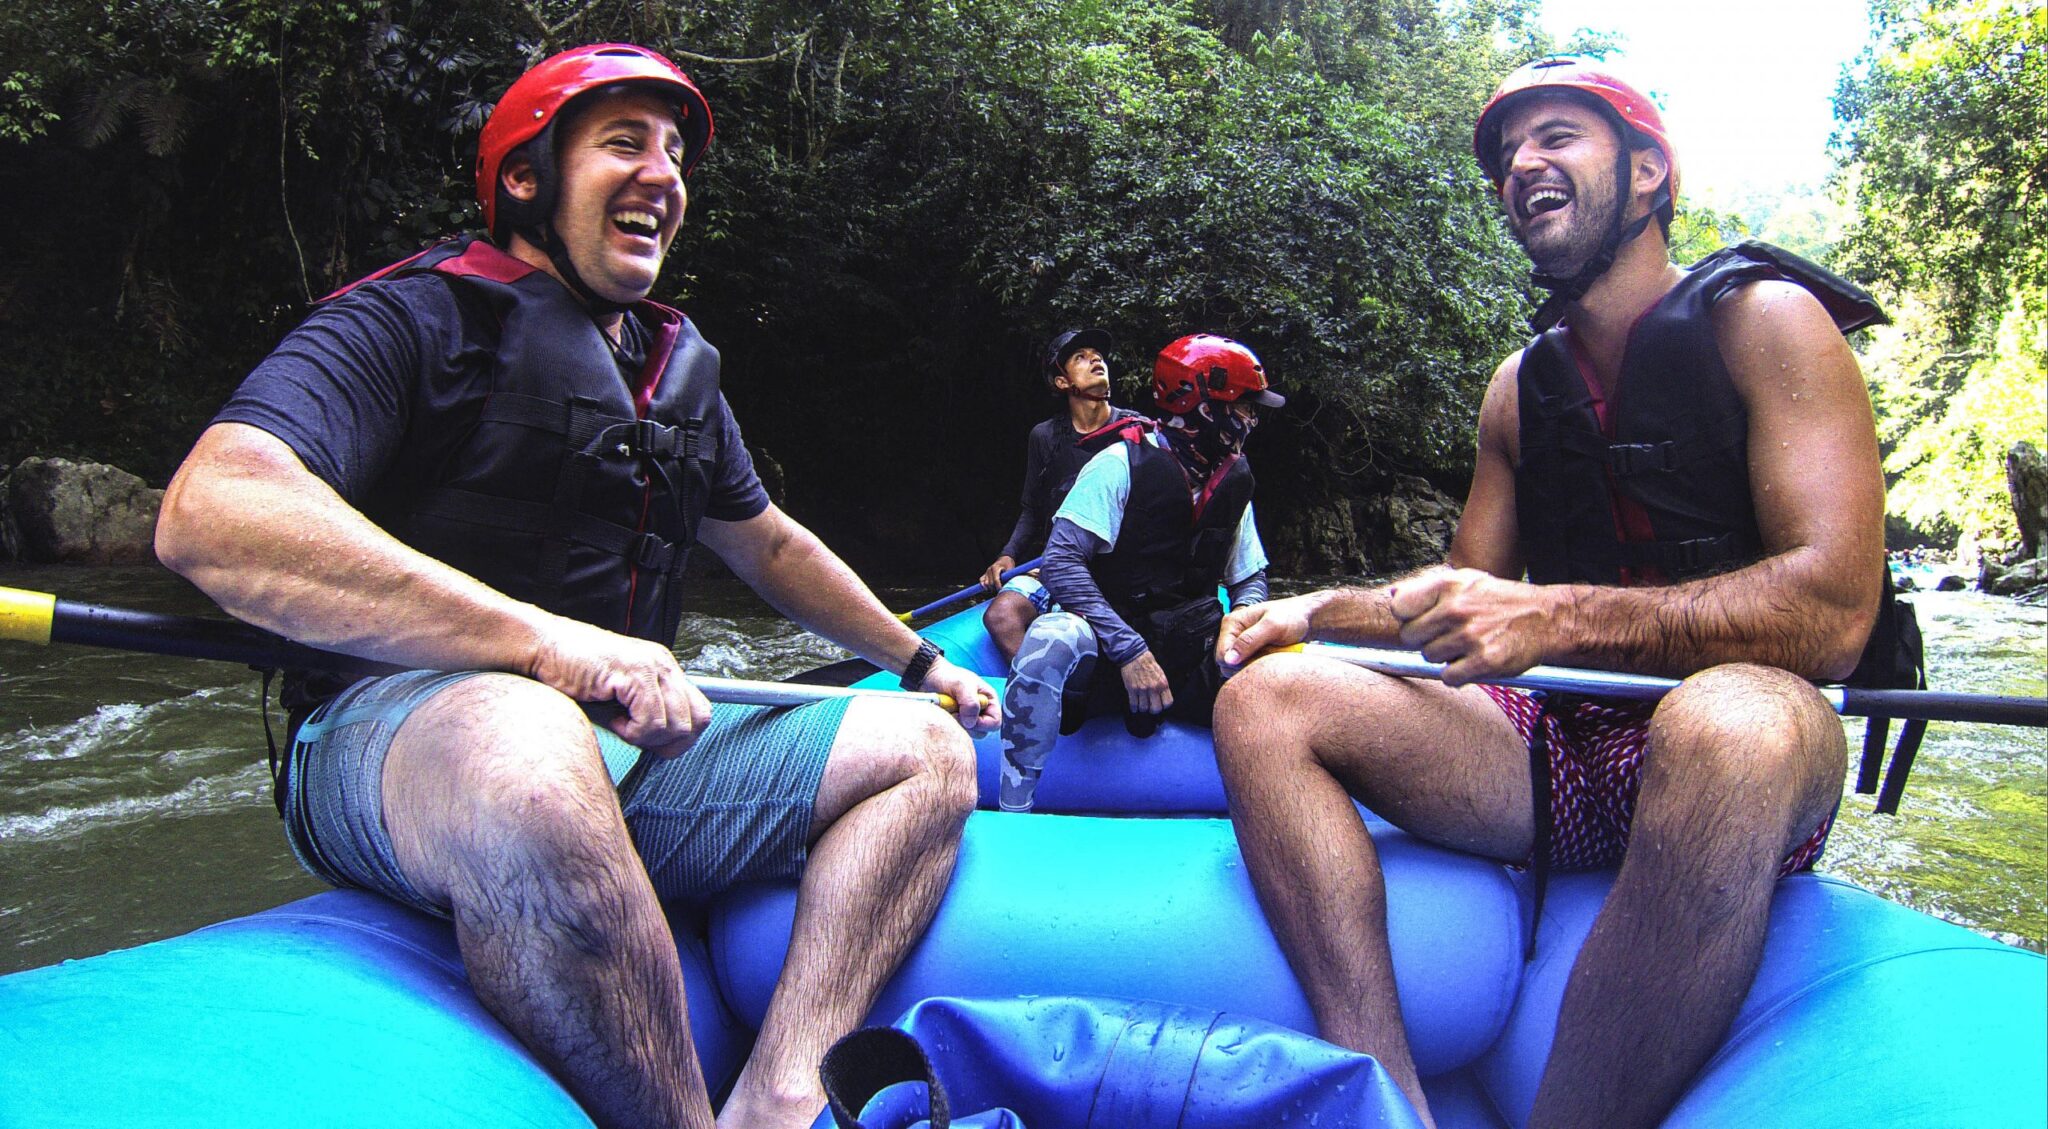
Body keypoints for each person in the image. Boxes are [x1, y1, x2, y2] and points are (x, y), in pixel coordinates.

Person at [153, 44, 997, 1129]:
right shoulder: (408, 321)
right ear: (523, 180)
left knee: (925, 750)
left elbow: (770, 546)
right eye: (622, 144)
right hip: (403, 741)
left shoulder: (671, 366)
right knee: (526, 742)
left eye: (676, 152)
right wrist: (544, 644)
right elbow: (213, 511)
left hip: (624, 749)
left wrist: (920, 663)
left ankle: (783, 1092)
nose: (663, 173)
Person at [1211, 58, 1908, 1129]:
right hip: (1562, 746)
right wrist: (1313, 614)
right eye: (1504, 157)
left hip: (1747, 727)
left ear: (1643, 173)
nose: (1519, 168)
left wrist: (1560, 616)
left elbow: (1831, 613)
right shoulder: (1516, 388)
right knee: (1265, 698)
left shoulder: (1767, 322)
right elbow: (1461, 602)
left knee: (1725, 725)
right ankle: (1380, 1094)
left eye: (1555, 138)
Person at [1000, 334, 1281, 812]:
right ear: (1204, 409)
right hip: (1112, 647)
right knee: (1051, 634)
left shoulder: (1232, 479)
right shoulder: (1117, 464)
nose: (1252, 419)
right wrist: (1130, 649)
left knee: (1281, 665)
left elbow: (1247, 579)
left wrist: (1244, 625)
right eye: (1245, 407)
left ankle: (1275, 802)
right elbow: (1061, 563)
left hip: (1191, 646)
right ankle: (1015, 809)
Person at [978, 328, 1144, 663]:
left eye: (1097, 355)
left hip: (1118, 565)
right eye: (1080, 357)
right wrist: (1008, 556)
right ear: (1062, 382)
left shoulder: (1138, 430)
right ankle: (1035, 696)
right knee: (1000, 616)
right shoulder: (1046, 436)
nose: (1095, 360)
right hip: (1056, 564)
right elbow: (1032, 509)